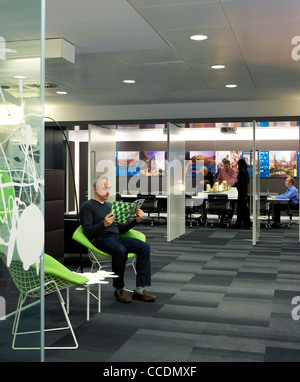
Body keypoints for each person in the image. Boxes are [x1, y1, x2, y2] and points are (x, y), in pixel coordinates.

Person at [80, 176, 156, 303]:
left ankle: (140, 289)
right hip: (100, 239)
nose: (108, 191)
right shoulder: (87, 206)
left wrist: (135, 221)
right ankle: (119, 289)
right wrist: (103, 224)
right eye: (105, 188)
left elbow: (120, 228)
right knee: (121, 250)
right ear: (95, 189)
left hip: (116, 237)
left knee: (144, 247)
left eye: (109, 188)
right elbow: (87, 231)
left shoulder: (110, 206)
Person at [234, 158, 251, 229]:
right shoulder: (246, 171)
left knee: (240, 209)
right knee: (244, 209)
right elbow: (247, 182)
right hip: (245, 192)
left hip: (241, 192)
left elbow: (240, 182)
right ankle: (246, 224)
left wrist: (235, 184)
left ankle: (239, 224)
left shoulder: (241, 172)